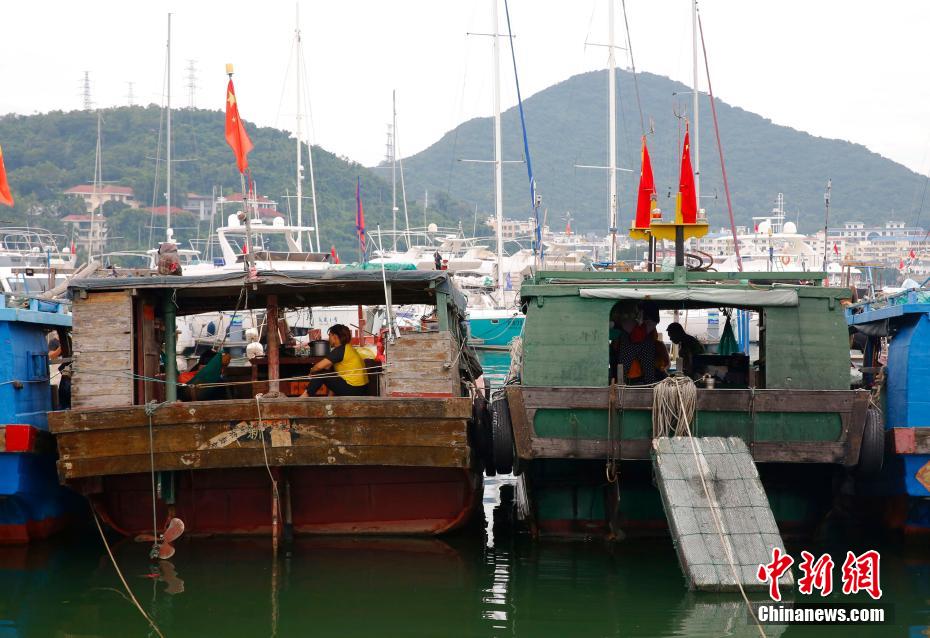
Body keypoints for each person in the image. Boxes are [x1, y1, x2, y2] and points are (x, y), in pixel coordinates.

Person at [304, 324, 369, 397]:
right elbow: (329, 370)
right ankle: (330, 399)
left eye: (329, 335)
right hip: (362, 388)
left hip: (354, 389)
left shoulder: (340, 350)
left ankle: (304, 397)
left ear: (334, 336)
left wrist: (312, 371)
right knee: (328, 372)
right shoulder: (348, 348)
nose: (329, 338)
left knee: (320, 373)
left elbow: (318, 367)